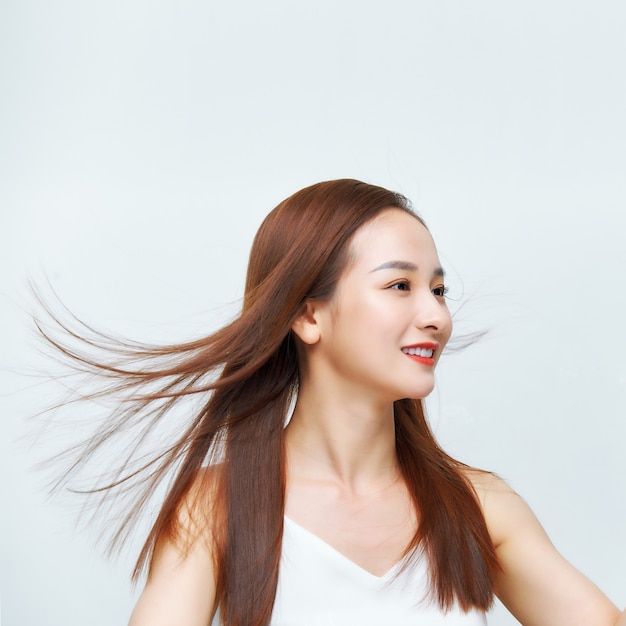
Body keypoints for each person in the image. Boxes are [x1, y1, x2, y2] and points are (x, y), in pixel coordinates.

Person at [40, 179, 624, 625]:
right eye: (400, 286)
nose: (436, 316)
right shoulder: (217, 507)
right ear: (306, 314)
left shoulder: (479, 507)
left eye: (439, 290)